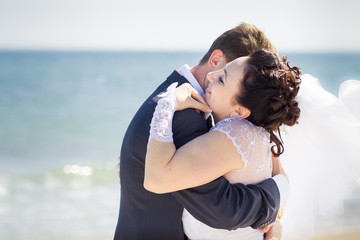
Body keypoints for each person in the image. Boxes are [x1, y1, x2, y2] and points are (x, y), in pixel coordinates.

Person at [114, 23, 290, 240]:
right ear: (215, 61)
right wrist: (273, 201)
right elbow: (225, 209)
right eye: (227, 73)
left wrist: (276, 215)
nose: (216, 77)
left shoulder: (181, 99)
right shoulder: (183, 117)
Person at [144, 49, 300, 240]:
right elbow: (282, 181)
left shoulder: (235, 133)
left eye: (222, 79)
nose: (211, 75)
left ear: (240, 111)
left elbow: (155, 178)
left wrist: (167, 103)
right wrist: (273, 217)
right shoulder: (262, 132)